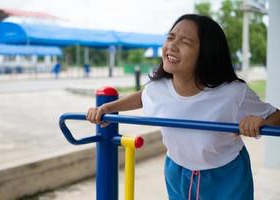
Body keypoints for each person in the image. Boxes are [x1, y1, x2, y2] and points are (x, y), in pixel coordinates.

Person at [86, 14, 280, 200]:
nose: (172, 45)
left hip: (227, 175)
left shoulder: (233, 93)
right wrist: (107, 108)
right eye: (170, 37)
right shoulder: (159, 89)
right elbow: (143, 97)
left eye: (185, 42)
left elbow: (277, 116)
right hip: (177, 172)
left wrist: (261, 122)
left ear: (207, 53)